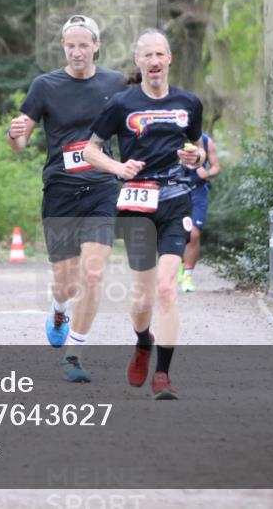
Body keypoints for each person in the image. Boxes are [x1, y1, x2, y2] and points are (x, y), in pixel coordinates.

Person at [84, 28, 204, 400]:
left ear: (169, 60)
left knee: (167, 288)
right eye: (147, 55)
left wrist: (193, 157)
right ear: (138, 61)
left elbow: (198, 150)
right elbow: (91, 151)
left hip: (175, 200)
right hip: (136, 205)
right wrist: (118, 169)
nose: (154, 61)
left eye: (160, 55)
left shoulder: (189, 103)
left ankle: (163, 376)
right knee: (142, 300)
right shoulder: (121, 104)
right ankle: (142, 341)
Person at [8, 15, 127, 382]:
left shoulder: (116, 83)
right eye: (70, 46)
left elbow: (134, 126)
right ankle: (59, 308)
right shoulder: (44, 86)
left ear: (96, 45)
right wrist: (15, 135)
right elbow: (20, 142)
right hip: (60, 192)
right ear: (63, 47)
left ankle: (74, 353)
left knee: (93, 273)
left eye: (83, 45)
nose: (76, 52)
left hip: (102, 189)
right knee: (67, 282)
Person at [179, 132, 220, 293]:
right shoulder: (171, 136)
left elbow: (216, 166)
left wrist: (208, 173)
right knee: (175, 232)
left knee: (194, 234)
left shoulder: (205, 140)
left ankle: (187, 276)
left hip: (198, 193)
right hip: (175, 190)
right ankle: (179, 266)